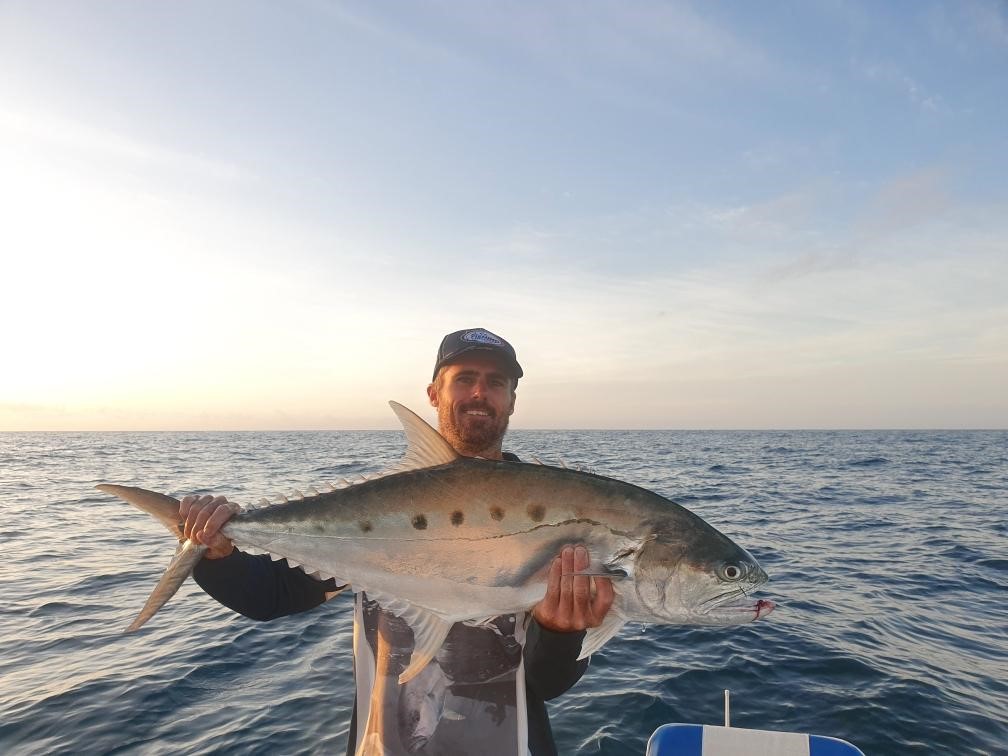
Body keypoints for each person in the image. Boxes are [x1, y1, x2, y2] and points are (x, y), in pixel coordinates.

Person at [181, 327, 614, 755]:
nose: (480, 392)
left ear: (512, 400)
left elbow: (547, 684)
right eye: (464, 378)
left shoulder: (560, 513)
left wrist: (560, 631)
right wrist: (217, 555)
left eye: (495, 382)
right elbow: (271, 596)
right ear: (433, 393)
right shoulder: (377, 511)